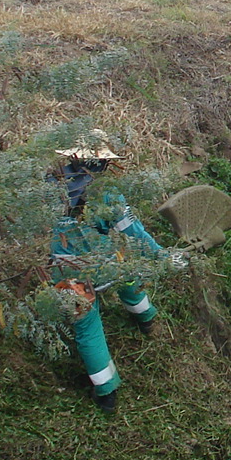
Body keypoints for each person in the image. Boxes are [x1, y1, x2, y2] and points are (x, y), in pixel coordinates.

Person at [48, 130, 184, 412]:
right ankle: (145, 318)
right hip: (104, 262)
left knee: (86, 327)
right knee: (126, 270)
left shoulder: (51, 184)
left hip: (65, 270)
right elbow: (133, 232)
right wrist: (162, 257)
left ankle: (106, 393)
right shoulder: (107, 194)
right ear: (103, 164)